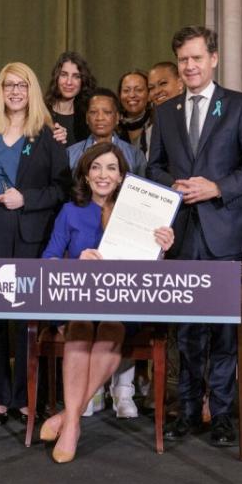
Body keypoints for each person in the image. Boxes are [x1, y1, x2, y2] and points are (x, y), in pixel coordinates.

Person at [148, 25, 242, 447]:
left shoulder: (239, 106)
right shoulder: (164, 113)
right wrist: (176, 184)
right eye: (183, 59)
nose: (190, 66)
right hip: (180, 235)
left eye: (197, 58)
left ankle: (221, 415)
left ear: (213, 59)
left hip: (225, 233)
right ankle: (186, 412)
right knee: (186, 331)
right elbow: (153, 168)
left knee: (222, 330)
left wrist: (216, 187)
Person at [39, 142, 174, 462]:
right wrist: (77, 262)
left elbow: (151, 267)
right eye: (96, 167)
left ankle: (68, 420)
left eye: (111, 168)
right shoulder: (70, 211)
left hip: (123, 303)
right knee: (81, 327)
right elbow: (49, 260)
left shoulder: (140, 213)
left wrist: (163, 247)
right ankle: (73, 422)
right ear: (85, 175)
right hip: (79, 301)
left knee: (112, 328)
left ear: (121, 175)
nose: (103, 174)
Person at [0, 61, 71, 425]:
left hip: (31, 231)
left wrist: (26, 198)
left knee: (27, 319)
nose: (15, 91)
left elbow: (62, 188)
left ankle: (25, 395)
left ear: (32, 92)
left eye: (22, 85)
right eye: (8, 85)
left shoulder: (46, 135)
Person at [65, 88, 146, 418]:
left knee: (118, 315)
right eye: (94, 112)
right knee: (84, 321)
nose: (103, 175)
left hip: (123, 271)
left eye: (107, 112)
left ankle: (122, 390)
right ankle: (91, 392)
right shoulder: (69, 156)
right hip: (83, 278)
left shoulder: (133, 156)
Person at [67, 88, 147, 176]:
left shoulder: (135, 155)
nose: (100, 118)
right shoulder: (70, 154)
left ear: (117, 117)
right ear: (87, 118)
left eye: (107, 112)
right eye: (93, 112)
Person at [43, 51, 96, 145]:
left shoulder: (88, 117)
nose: (68, 82)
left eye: (76, 76)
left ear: (83, 81)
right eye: (64, 75)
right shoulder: (42, 112)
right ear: (56, 77)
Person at [116, 70, 153, 156]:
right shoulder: (113, 126)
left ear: (149, 95)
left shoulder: (157, 123)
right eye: (126, 90)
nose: (132, 95)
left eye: (139, 90)